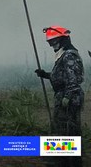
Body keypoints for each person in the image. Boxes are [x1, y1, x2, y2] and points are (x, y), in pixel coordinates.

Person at [35, 25, 83, 167]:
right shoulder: (63, 55)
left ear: (61, 40)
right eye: (50, 42)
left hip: (70, 98)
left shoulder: (69, 55)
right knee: (61, 128)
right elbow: (62, 77)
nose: (52, 45)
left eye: (53, 42)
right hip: (64, 96)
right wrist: (46, 75)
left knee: (69, 129)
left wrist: (67, 97)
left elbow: (73, 80)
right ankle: (62, 159)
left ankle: (70, 162)